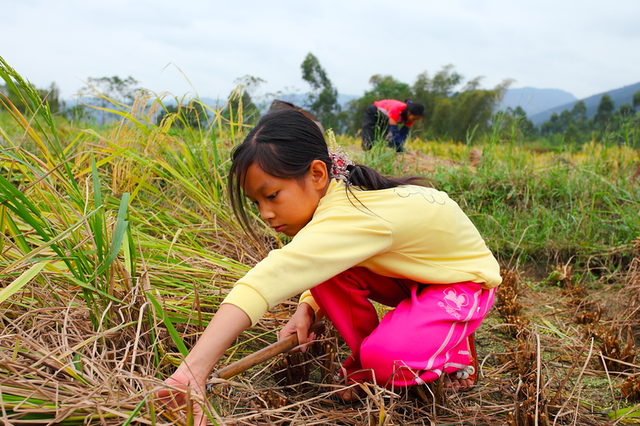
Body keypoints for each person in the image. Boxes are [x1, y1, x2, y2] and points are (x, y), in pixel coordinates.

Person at [159, 109, 501, 424]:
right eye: (257, 203)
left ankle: (452, 355)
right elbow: (319, 263)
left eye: (273, 195)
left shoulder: (351, 215)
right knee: (326, 278)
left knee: (388, 362)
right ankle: (372, 364)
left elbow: (270, 277)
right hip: (412, 276)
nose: (265, 213)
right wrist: (307, 306)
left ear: (318, 174)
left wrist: (192, 371)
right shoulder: (334, 204)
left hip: (461, 283)